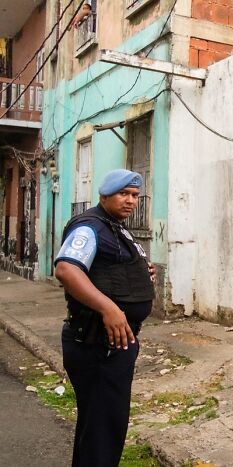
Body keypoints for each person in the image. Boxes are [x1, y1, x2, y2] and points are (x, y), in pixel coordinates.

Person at [55, 169, 155, 467]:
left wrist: (140, 273)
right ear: (104, 195)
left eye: (135, 196)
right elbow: (67, 269)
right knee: (102, 427)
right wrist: (109, 308)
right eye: (123, 194)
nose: (130, 201)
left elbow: (109, 269)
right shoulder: (90, 227)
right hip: (96, 343)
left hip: (114, 344)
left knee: (102, 426)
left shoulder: (115, 228)